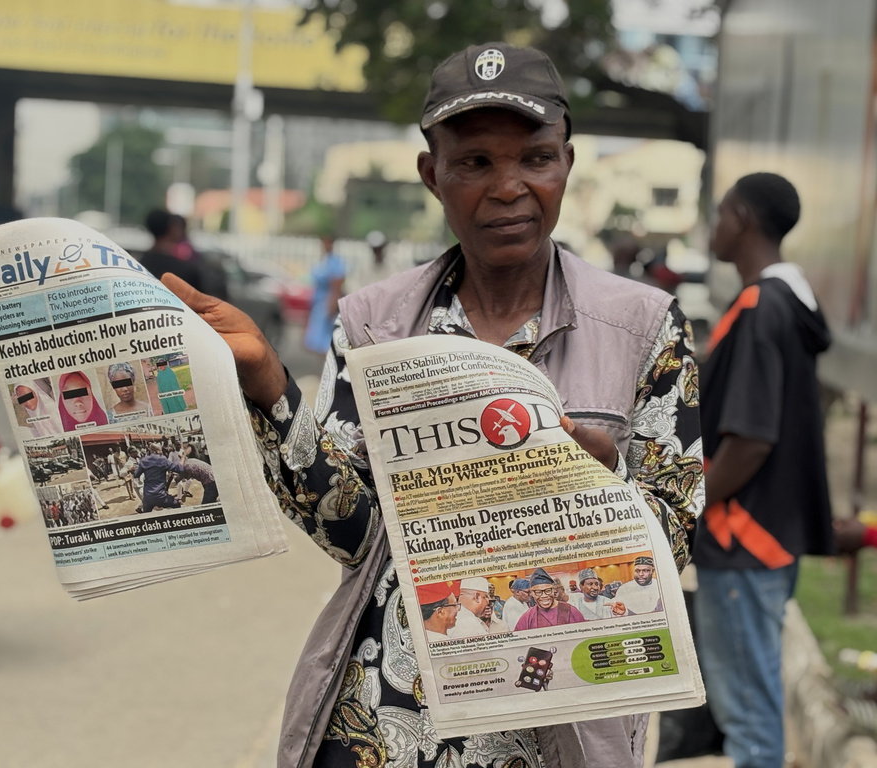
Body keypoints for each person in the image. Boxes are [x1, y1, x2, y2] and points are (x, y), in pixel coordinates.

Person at [163, 42, 703, 768]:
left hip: (550, 736)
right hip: (385, 727)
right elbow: (352, 535)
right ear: (432, 174)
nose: (509, 187)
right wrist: (268, 384)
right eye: (475, 162)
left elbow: (674, 543)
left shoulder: (645, 329)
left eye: (535, 158)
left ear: (567, 164)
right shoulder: (371, 323)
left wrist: (602, 500)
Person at [693, 172, 834, 768]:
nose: (715, 226)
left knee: (748, 717)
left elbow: (750, 440)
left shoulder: (757, 307)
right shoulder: (790, 304)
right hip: (771, 537)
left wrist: (690, 504)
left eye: (721, 213)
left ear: (743, 217)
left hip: (739, 538)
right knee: (758, 704)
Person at [303, 233, 346, 355]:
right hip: (317, 303)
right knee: (316, 341)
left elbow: (336, 286)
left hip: (327, 303)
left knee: (326, 341)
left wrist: (332, 305)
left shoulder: (335, 262)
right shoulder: (323, 261)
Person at [515, 568, 586, 629]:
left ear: (553, 591)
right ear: (532, 593)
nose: (544, 595)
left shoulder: (570, 611)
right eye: (538, 592)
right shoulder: (527, 618)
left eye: (548, 591)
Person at [133, 443, 186, 514]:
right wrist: (183, 457)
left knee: (146, 515)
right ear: (157, 451)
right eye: (160, 450)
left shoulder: (143, 460)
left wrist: (133, 469)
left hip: (148, 497)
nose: (162, 452)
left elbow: (136, 475)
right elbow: (179, 469)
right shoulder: (162, 459)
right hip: (161, 496)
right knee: (177, 505)